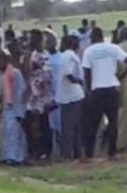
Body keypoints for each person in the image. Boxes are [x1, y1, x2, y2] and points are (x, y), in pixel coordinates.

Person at [82, 27, 127, 160]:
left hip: (97, 89)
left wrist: (88, 91)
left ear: (92, 38)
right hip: (112, 88)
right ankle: (111, 153)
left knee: (92, 123)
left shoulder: (89, 51)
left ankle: (89, 154)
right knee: (113, 123)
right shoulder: (113, 48)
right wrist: (120, 77)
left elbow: (87, 73)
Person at [0, 50, 28, 164]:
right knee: (7, 133)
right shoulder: (3, 75)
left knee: (14, 133)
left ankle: (16, 157)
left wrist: (19, 110)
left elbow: (21, 91)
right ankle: (7, 156)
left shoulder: (15, 73)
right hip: (6, 109)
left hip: (15, 108)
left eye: (0, 60)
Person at [56, 35, 85, 160]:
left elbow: (68, 74)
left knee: (68, 127)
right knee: (77, 126)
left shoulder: (66, 56)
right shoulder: (73, 56)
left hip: (69, 96)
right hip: (75, 95)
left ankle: (67, 154)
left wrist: (77, 81)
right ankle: (77, 152)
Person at [26, 29, 54, 159]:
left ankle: (45, 150)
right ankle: (38, 149)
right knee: (35, 123)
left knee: (42, 123)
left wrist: (43, 94)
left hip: (41, 94)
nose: (29, 41)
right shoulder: (34, 54)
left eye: (31, 39)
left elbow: (47, 76)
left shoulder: (43, 55)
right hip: (34, 93)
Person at [45, 30, 62, 157]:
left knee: (61, 126)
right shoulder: (45, 59)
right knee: (52, 126)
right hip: (50, 97)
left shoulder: (60, 59)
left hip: (60, 97)